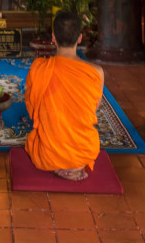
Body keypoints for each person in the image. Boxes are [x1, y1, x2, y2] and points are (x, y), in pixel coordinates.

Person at [24, 11, 105, 181]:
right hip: (84, 150)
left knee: (34, 142)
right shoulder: (96, 72)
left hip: (48, 153)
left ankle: (57, 162)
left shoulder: (39, 68)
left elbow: (32, 109)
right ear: (80, 38)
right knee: (85, 139)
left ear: (53, 37)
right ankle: (75, 162)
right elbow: (93, 109)